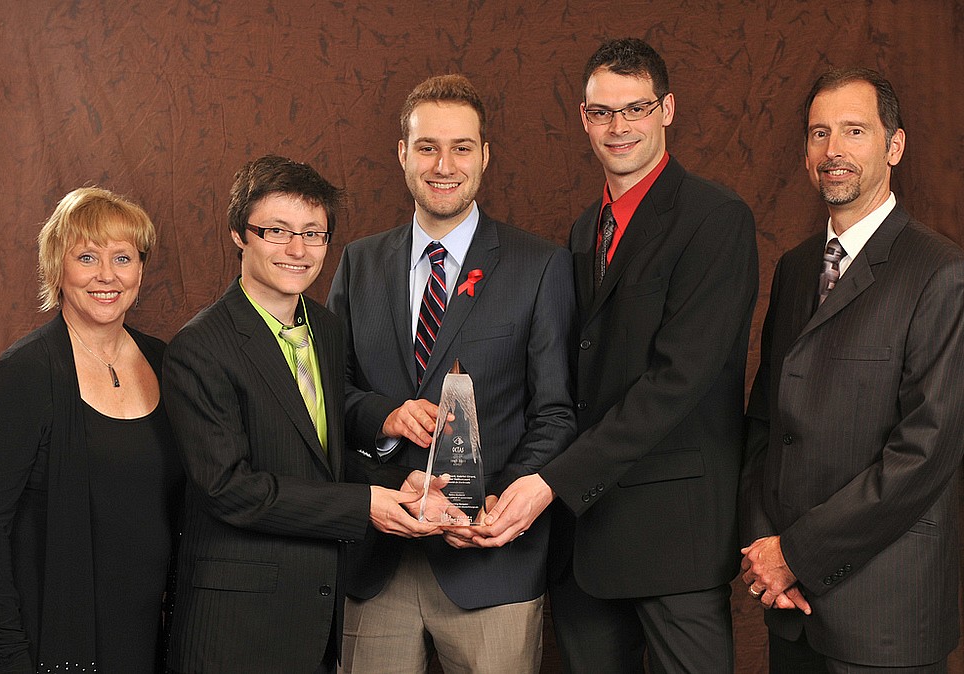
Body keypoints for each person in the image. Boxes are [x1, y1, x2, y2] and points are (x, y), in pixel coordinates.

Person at [468, 38, 759, 673]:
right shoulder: (582, 231)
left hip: (672, 539)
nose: (619, 127)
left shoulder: (716, 219)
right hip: (585, 538)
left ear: (667, 110)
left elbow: (676, 383)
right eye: (602, 112)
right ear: (583, 117)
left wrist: (550, 481)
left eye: (636, 108)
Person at [326, 74, 577, 673]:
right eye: (427, 146)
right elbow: (330, 393)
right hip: (377, 564)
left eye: (461, 147)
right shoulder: (360, 262)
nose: (444, 164)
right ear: (403, 154)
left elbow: (555, 411)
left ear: (485, 156)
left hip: (490, 562)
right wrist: (384, 417)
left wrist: (499, 503)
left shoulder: (538, 266)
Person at [162, 155, 439, 674]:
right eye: (277, 230)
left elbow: (321, 461)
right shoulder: (198, 349)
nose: (298, 250)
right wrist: (364, 506)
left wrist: (405, 485)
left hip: (315, 616)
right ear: (238, 235)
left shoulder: (327, 330)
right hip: (235, 624)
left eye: (314, 233)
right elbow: (228, 489)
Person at [739, 68, 964, 672]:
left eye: (854, 131)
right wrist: (766, 555)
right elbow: (766, 423)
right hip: (790, 610)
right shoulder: (793, 269)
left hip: (883, 615)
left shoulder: (939, 272)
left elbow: (926, 451)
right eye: (819, 133)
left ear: (894, 146)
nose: (832, 150)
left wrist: (797, 554)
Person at [0, 187, 183, 673]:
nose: (107, 275)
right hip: (45, 642)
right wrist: (6, 656)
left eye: (123, 258)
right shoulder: (22, 374)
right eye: (87, 257)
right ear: (56, 270)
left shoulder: (165, 362)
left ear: (140, 272)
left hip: (145, 639)